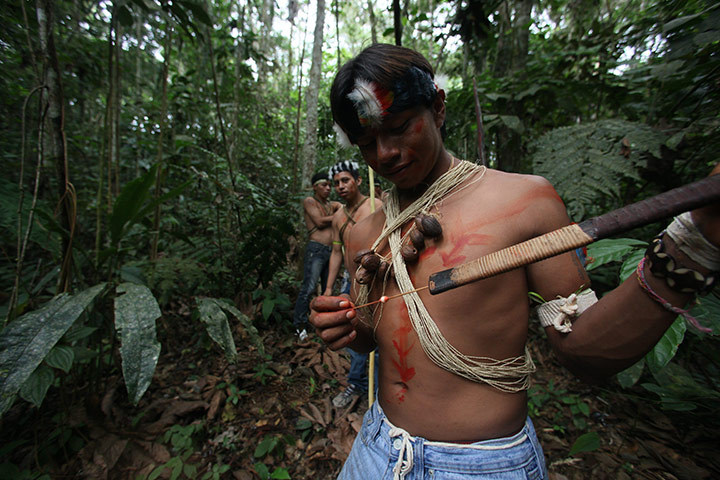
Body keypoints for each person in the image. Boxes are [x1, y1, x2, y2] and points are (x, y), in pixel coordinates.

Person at [309, 43, 720, 479]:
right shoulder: (363, 233)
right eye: (367, 142)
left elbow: (585, 350)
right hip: (376, 449)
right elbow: (374, 339)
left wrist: (692, 247)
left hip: (482, 465)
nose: (385, 153)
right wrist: (350, 329)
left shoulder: (524, 202)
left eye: (400, 127)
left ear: (438, 107)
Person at [322, 160, 383, 408]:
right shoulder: (338, 217)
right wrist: (328, 288)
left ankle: (381, 391)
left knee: (379, 333)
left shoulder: (376, 207)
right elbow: (337, 253)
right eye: (336, 183)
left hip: (377, 279)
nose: (340, 186)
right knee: (353, 330)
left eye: (345, 180)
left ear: (358, 180)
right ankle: (357, 383)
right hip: (350, 281)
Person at [292, 171, 340, 341]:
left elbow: (347, 208)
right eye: (323, 185)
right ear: (314, 187)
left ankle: (324, 325)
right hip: (316, 250)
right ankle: (300, 326)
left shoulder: (331, 204)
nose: (328, 188)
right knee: (309, 287)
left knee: (329, 289)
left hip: (331, 251)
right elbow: (319, 222)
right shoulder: (310, 201)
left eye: (329, 185)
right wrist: (339, 216)